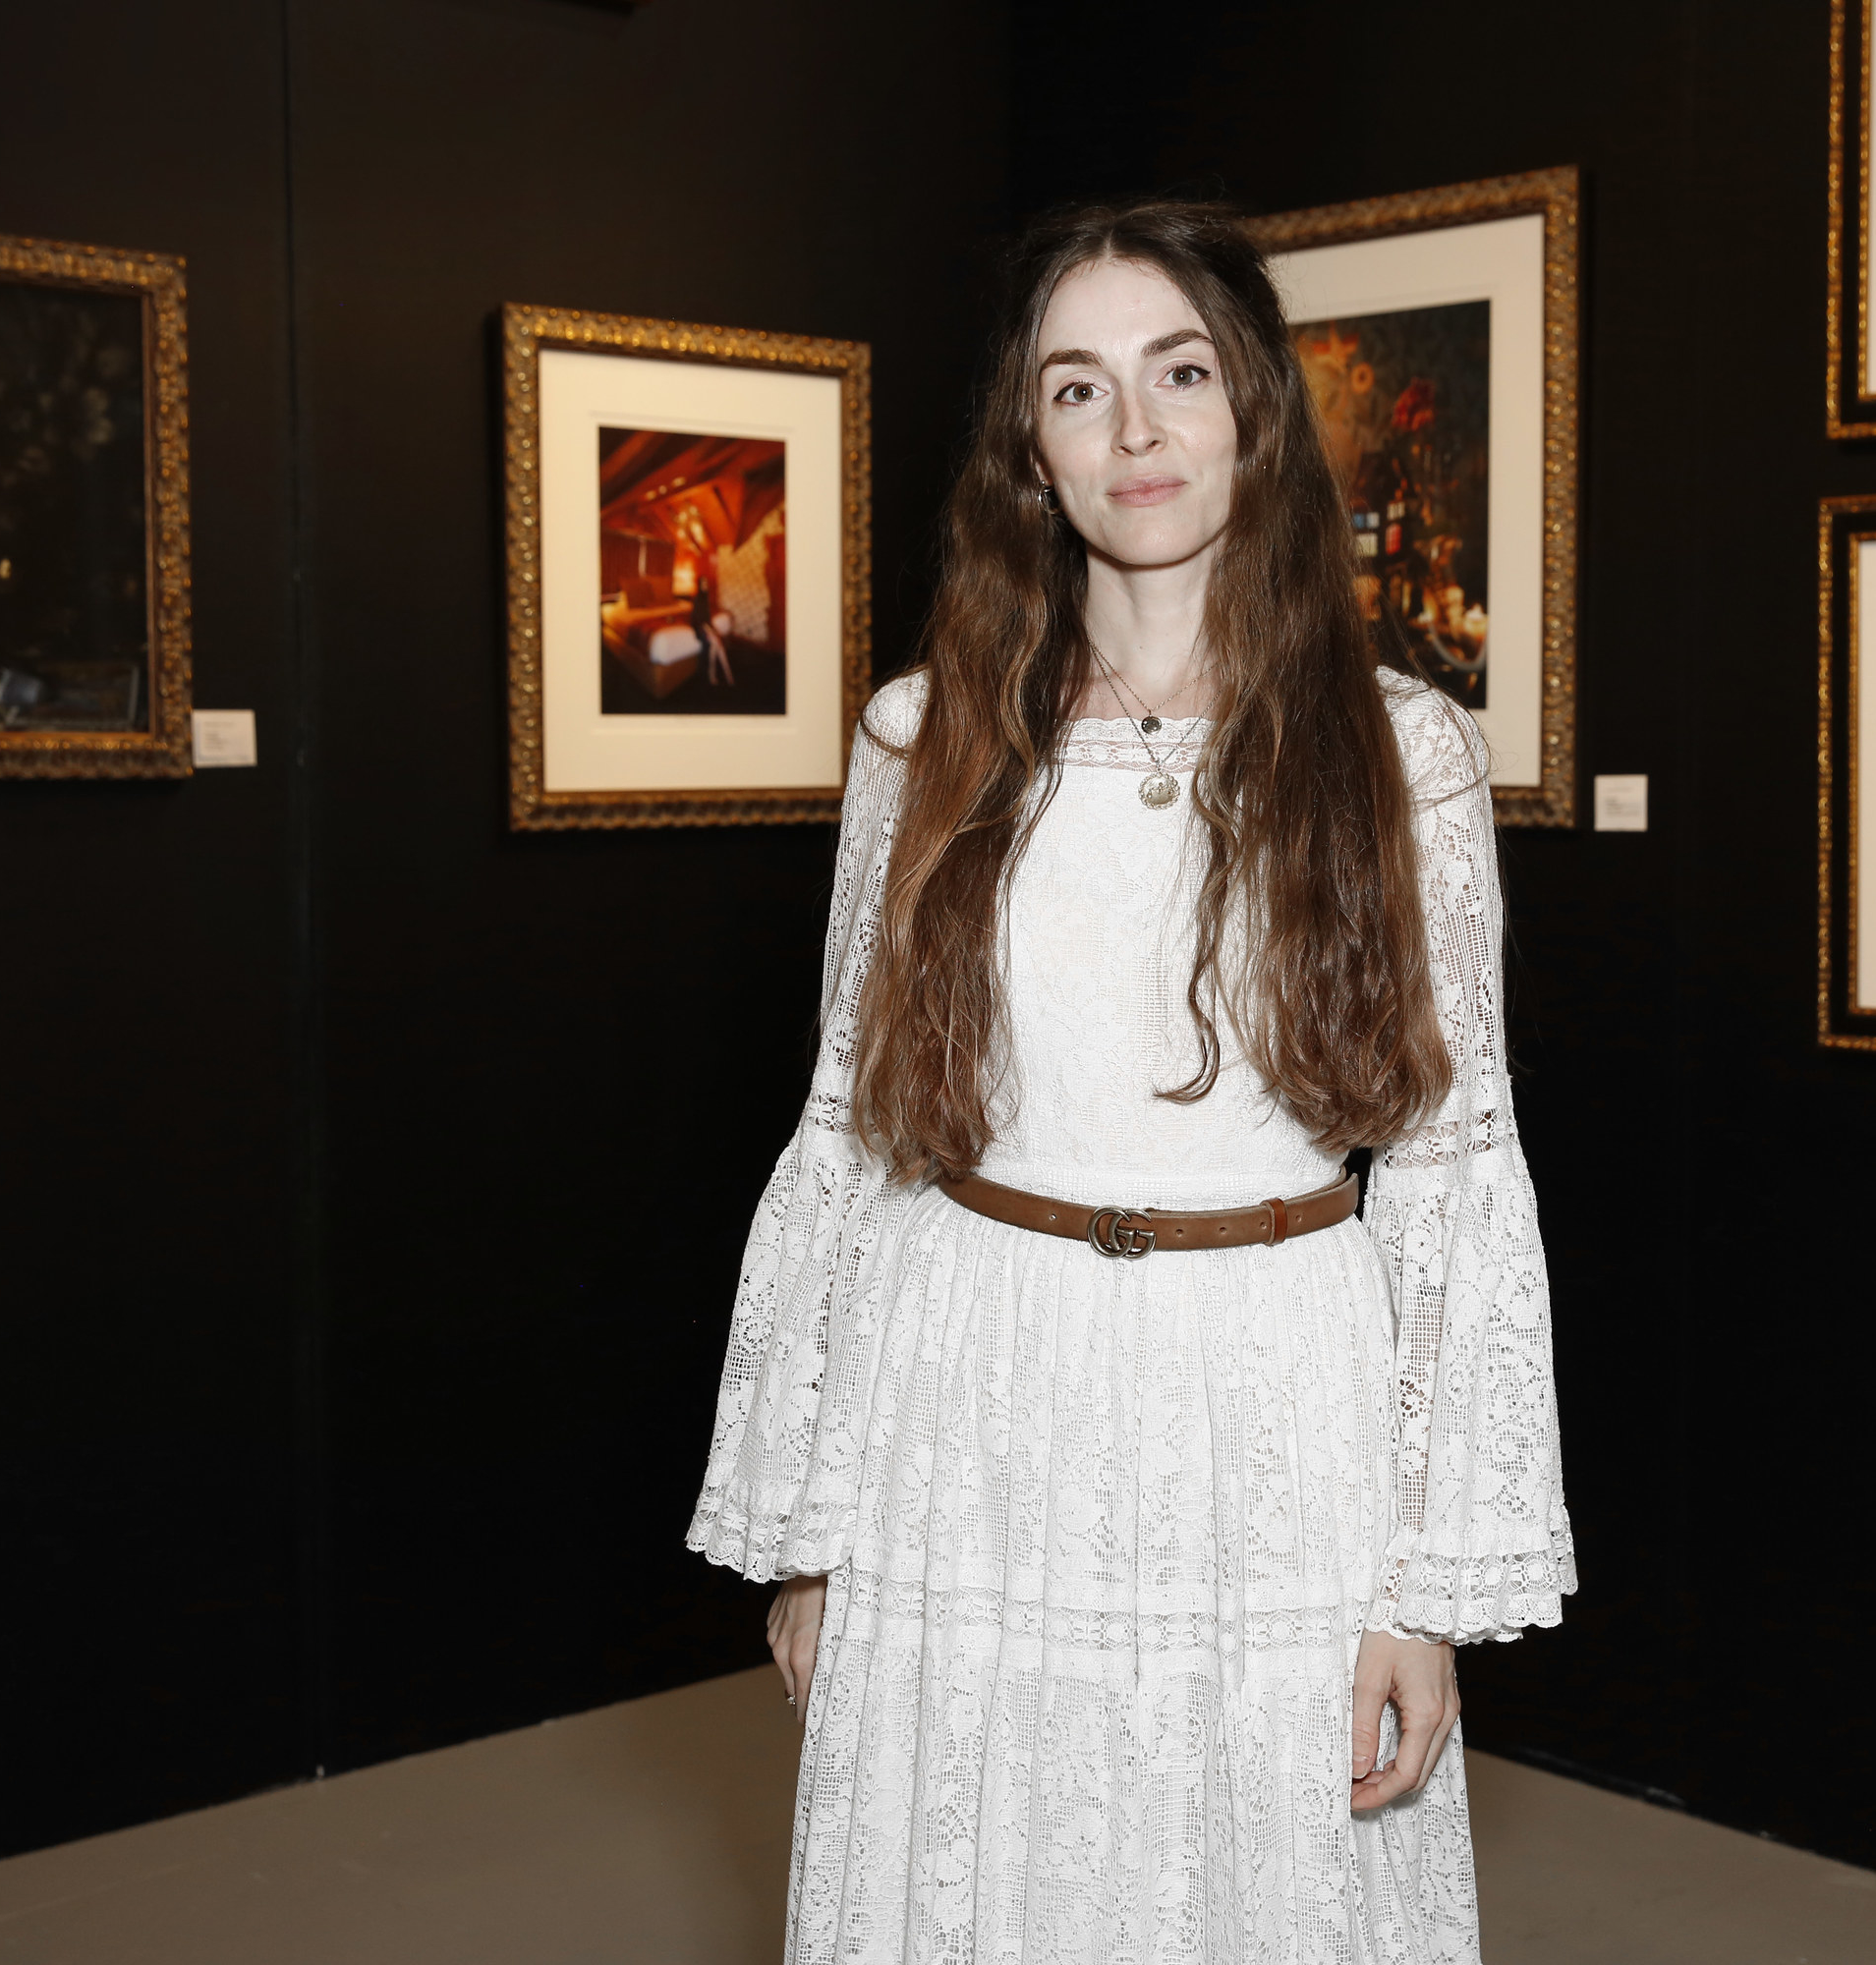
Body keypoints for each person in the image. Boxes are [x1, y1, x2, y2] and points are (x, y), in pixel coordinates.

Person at [687, 198, 1571, 1961]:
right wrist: (814, 1531)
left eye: (1177, 374)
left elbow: (1461, 1168)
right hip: (972, 1398)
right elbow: (856, 1134)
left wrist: (1421, 1594)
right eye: (1077, 389)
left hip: (1273, 1419)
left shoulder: (1404, 753)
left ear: (1253, 407)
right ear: (1032, 443)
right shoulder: (913, 735)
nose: (1137, 431)